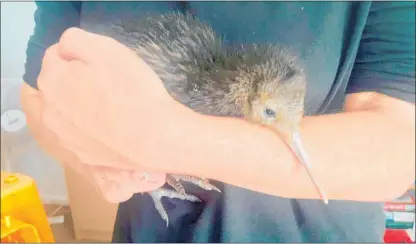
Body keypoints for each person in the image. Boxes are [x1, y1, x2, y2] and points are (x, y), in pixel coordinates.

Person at [21, 1, 415, 242]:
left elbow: (400, 144)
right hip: (152, 230)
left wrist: (169, 139)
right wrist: (94, 158)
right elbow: (39, 90)